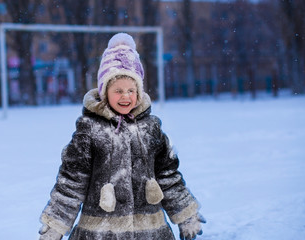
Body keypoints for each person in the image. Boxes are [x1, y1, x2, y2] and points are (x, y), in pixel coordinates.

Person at [38, 33, 205, 240]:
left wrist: (186, 215)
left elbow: (168, 176)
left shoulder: (151, 129)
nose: (126, 96)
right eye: (118, 90)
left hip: (150, 232)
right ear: (104, 91)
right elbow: (72, 180)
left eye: (131, 90)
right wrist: (56, 223)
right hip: (101, 232)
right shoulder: (89, 130)